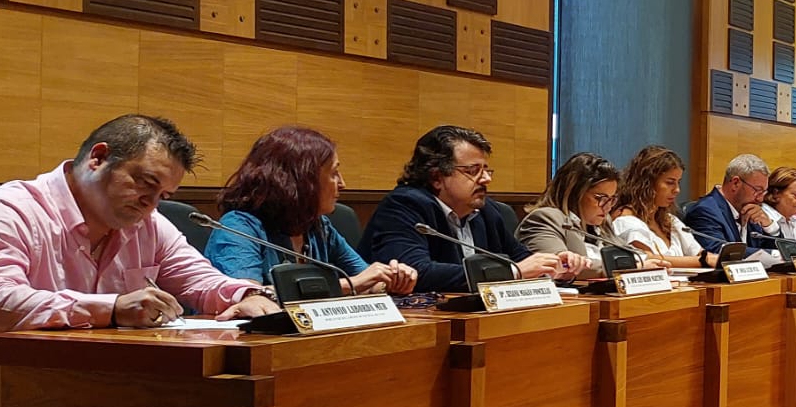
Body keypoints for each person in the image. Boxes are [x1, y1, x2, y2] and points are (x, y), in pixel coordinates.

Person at [0, 115, 279, 382]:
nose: (151, 203)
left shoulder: (148, 223)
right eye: (145, 182)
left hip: (99, 388)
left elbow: (200, 280)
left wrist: (245, 296)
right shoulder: (9, 211)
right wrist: (111, 308)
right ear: (97, 158)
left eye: (163, 196)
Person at [362, 125, 579, 292]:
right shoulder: (405, 206)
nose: (485, 179)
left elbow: (522, 257)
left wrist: (557, 267)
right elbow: (418, 272)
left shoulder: (487, 211)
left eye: (486, 170)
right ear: (437, 177)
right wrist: (513, 273)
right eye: (473, 170)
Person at [205, 126, 416, 295]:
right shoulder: (238, 227)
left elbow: (364, 279)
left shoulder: (318, 226)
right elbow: (248, 295)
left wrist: (391, 281)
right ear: (302, 181)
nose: (342, 183)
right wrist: (350, 284)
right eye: (333, 173)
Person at [607, 145, 715, 269]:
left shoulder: (670, 220)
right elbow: (647, 257)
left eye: (678, 182)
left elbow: (701, 253)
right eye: (670, 183)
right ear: (647, 183)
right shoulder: (625, 220)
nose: (677, 190)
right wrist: (703, 261)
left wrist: (720, 260)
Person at [518, 152, 622, 277]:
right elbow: (561, 267)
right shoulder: (545, 218)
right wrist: (629, 268)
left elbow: (631, 255)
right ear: (574, 193)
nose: (608, 206)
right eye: (601, 198)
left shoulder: (603, 223)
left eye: (612, 199)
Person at [684, 153, 772, 254]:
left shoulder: (751, 210)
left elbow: (781, 255)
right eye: (757, 190)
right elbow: (718, 252)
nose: (760, 199)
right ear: (735, 183)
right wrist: (775, 255)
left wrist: (769, 226)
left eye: (764, 192)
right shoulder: (705, 211)